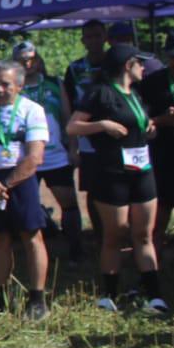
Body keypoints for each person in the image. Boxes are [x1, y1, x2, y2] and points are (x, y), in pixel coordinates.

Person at [67, 44, 167, 316]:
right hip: (112, 174)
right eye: (140, 63)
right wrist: (102, 125)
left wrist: (150, 127)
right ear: (127, 64)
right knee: (115, 235)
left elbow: (138, 125)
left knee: (143, 234)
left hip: (142, 171)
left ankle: (154, 296)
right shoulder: (99, 93)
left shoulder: (134, 93)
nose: (144, 68)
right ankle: (109, 295)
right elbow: (73, 126)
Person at [0, 60, 51, 319]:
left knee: (31, 236)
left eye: (5, 83)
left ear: (19, 85)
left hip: (19, 181)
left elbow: (35, 157)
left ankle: (37, 299)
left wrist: (4, 186)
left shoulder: (32, 110)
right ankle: (2, 295)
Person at [12, 41, 85, 260]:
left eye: (32, 58)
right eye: (22, 60)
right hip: (26, 157)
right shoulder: (13, 88)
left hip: (55, 154)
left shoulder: (54, 83)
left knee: (69, 203)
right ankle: (32, 252)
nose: (28, 63)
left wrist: (73, 147)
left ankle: (75, 249)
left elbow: (66, 116)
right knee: (26, 206)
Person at [139, 29, 174, 256]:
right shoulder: (151, 83)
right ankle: (153, 266)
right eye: (173, 56)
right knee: (160, 215)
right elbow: (138, 121)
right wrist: (162, 120)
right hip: (163, 159)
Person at [66, 19, 109, 233]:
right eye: (89, 36)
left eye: (97, 35)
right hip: (87, 139)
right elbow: (69, 106)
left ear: (105, 37)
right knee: (93, 189)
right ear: (83, 40)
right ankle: (99, 233)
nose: (93, 40)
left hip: (116, 137)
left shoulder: (117, 63)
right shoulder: (75, 69)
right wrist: (73, 146)